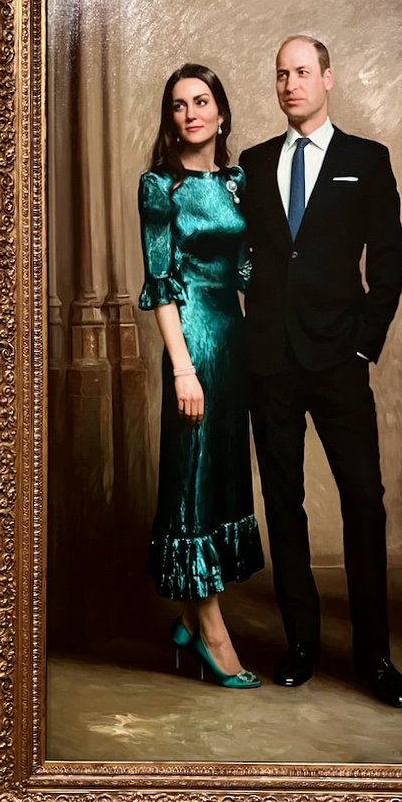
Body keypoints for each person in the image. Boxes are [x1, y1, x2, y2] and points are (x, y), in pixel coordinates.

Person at [240, 35, 402, 707]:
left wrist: (365, 343)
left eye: (302, 72)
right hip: (271, 365)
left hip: (340, 361)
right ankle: (301, 643)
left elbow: (389, 259)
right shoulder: (253, 165)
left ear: (328, 79)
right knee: (283, 505)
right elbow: (239, 252)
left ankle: (375, 658)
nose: (290, 84)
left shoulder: (366, 160)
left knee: (364, 504)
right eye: (281, 74)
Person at [138, 63, 263, 688]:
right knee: (190, 481)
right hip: (192, 341)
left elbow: (247, 269)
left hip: (233, 340)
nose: (190, 113)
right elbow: (159, 285)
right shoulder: (159, 186)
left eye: (202, 101)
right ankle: (214, 635)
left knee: (217, 478)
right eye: (179, 105)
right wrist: (183, 368)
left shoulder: (239, 183)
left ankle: (190, 618)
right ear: (172, 119)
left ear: (220, 113)